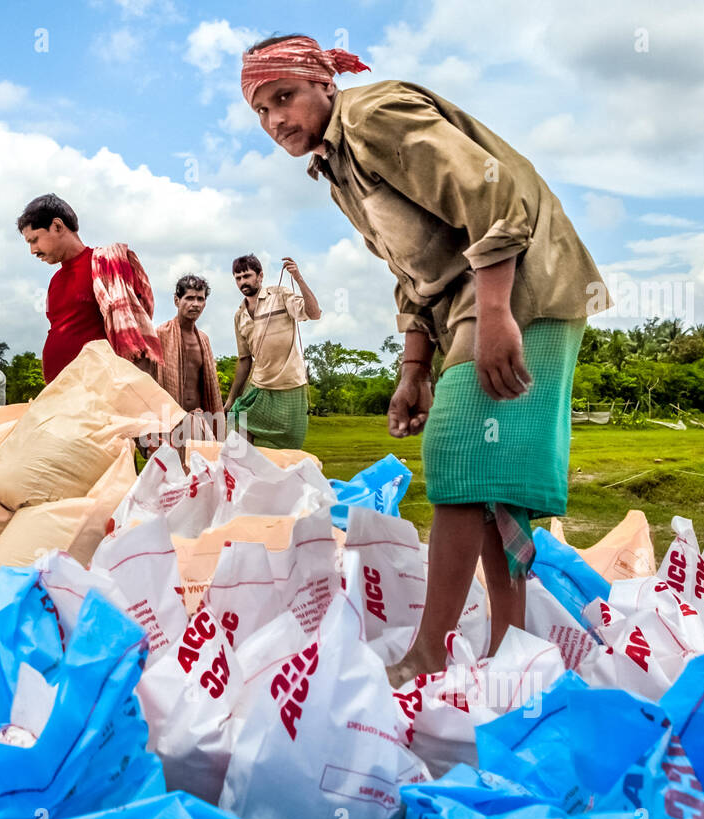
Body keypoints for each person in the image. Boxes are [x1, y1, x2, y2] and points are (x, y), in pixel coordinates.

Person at [240, 35, 609, 677]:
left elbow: (494, 198)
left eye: (285, 97)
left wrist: (496, 314)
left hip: (525, 288)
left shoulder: (373, 116)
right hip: (473, 298)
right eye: (261, 110)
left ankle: (429, 654)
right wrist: (413, 369)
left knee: (458, 454)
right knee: (495, 489)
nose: (276, 121)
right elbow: (414, 271)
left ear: (325, 85)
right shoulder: (338, 170)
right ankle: (509, 652)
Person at [16, 193, 162, 383]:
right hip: (61, 395)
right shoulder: (55, 281)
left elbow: (136, 336)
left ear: (58, 226)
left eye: (34, 240)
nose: (32, 250)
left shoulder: (107, 265)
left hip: (101, 392)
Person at [224, 253, 321, 449]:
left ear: (260, 276)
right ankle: (244, 476)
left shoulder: (279, 295)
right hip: (260, 385)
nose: (243, 281)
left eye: (247, 276)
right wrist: (231, 399)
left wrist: (299, 279)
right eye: (238, 278)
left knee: (289, 444)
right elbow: (244, 360)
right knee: (235, 424)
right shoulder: (239, 315)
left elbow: (314, 313)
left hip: (290, 384)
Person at [155, 275, 225, 445]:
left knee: (204, 468)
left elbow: (208, 385)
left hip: (199, 419)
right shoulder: (160, 335)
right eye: (189, 298)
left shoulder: (203, 340)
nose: (195, 304)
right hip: (168, 420)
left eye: (200, 299)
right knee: (169, 471)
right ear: (176, 300)